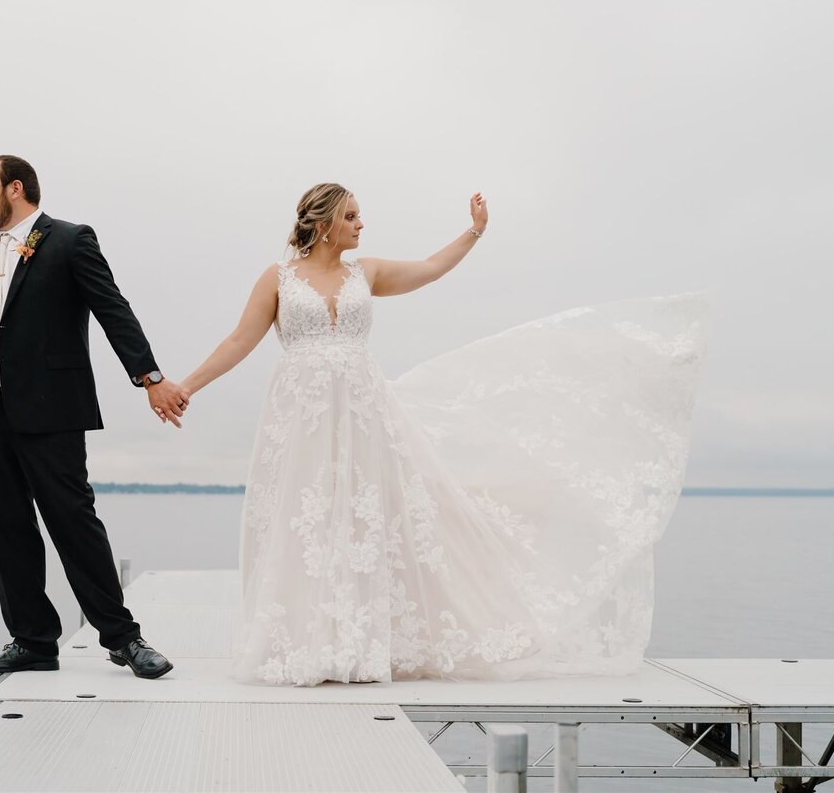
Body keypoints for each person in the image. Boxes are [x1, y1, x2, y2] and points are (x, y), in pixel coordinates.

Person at [181, 183, 708, 686]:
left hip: (364, 410)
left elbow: (430, 269)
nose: (361, 224)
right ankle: (302, 642)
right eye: (350, 216)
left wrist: (473, 232)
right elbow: (238, 340)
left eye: (360, 215)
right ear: (322, 224)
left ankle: (361, 646)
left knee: (366, 520)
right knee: (307, 516)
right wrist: (187, 386)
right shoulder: (278, 279)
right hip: (301, 413)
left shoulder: (366, 272)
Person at [0, 155, 187, 679]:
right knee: (8, 529)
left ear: (15, 188)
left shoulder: (70, 240)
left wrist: (150, 377)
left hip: (53, 410)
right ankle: (33, 641)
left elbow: (112, 308)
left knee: (73, 522)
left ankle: (124, 639)